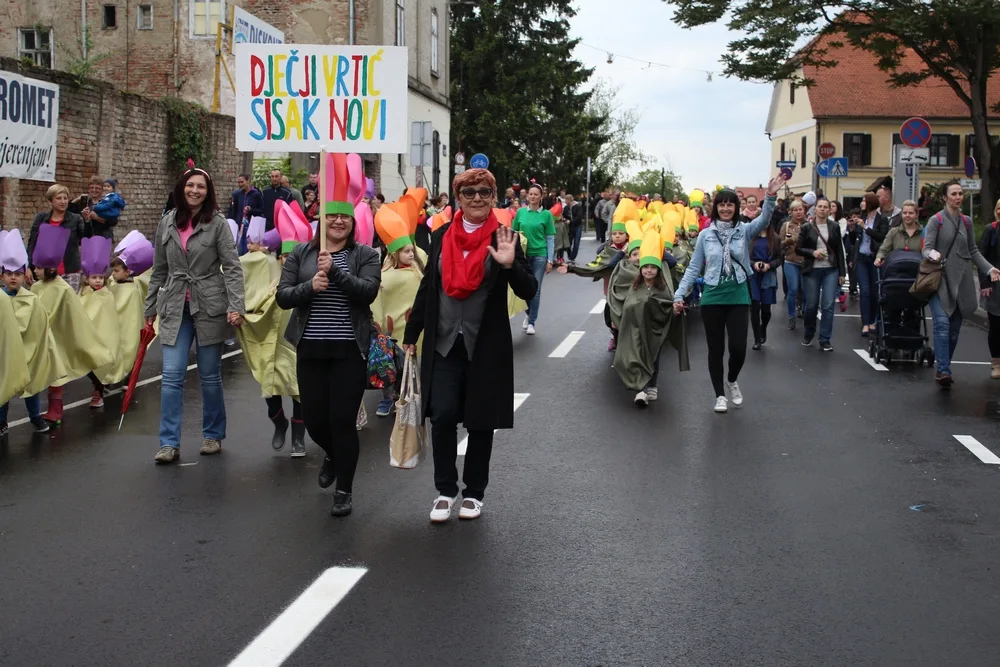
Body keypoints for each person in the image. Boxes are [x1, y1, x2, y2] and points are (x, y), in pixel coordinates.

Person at [402, 168, 537, 523]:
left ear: (495, 198)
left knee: (480, 421)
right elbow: (428, 287)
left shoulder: (506, 236)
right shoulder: (441, 234)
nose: (477, 198)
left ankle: (474, 492)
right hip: (445, 341)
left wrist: (509, 267)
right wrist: (411, 333)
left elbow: (528, 290)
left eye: (484, 192)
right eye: (469, 192)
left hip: (485, 344)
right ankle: (446, 489)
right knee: (442, 414)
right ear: (457, 198)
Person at [276, 155, 381, 517]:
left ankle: (344, 490)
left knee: (342, 421)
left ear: (352, 222)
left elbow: (368, 293)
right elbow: (283, 296)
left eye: (345, 217)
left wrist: (334, 275)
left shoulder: (366, 254)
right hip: (310, 350)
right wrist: (310, 285)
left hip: (349, 351)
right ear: (321, 218)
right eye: (332, 215)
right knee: (317, 422)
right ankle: (335, 457)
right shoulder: (302, 254)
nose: (338, 221)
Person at [144, 167, 245, 464]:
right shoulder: (167, 223)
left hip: (210, 305)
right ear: (181, 187)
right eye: (190, 185)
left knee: (209, 375)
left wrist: (235, 305)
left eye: (201, 186)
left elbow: (233, 266)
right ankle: (168, 443)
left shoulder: (217, 224)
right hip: (176, 305)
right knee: (172, 376)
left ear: (208, 192)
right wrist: (149, 309)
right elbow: (159, 270)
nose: (195, 191)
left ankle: (213, 435)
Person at [674, 173, 784, 413]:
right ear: (716, 208)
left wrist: (771, 195)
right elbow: (694, 267)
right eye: (721, 204)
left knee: (738, 348)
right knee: (715, 349)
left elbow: (765, 218)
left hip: (737, 294)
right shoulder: (705, 235)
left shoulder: (744, 230)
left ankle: (732, 380)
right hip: (712, 295)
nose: (725, 208)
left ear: (736, 208)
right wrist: (679, 294)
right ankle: (719, 395)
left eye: (730, 204)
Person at [924, 181, 1000, 387]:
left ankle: (944, 364)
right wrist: (932, 254)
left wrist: (989, 268)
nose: (958, 197)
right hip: (939, 280)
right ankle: (944, 370)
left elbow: (974, 251)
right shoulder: (936, 220)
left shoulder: (966, 222)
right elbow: (926, 247)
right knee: (941, 324)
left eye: (960, 193)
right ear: (945, 197)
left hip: (962, 281)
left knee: (954, 330)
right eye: (954, 194)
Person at [371, 206, 426, 417]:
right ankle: (387, 397)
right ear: (395, 253)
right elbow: (377, 299)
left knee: (408, 364)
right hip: (390, 329)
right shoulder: (384, 276)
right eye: (406, 251)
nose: (411, 254)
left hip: (409, 328)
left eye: (412, 250)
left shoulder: (417, 273)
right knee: (387, 364)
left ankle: (406, 395)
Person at [0, 231, 52, 435]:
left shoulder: (32, 299)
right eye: (9, 273)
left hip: (25, 351)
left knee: (31, 385)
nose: (13, 277)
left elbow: (40, 323)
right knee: (4, 385)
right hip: (5, 351)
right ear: (2, 275)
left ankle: (35, 417)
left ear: (25, 275)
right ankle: (2, 420)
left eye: (18, 273)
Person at [796, 198, 847, 351]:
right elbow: (798, 248)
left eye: (826, 207)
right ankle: (809, 332)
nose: (823, 209)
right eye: (820, 206)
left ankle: (825, 339)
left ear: (829, 210)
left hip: (830, 269)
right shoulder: (806, 227)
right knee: (811, 305)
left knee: (828, 305)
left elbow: (838, 250)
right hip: (812, 270)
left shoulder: (834, 226)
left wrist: (842, 272)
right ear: (815, 209)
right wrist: (813, 252)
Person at [511, 183, 555, 335]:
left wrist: (550, 260)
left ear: (541, 197)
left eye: (536, 194)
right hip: (522, 255)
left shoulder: (546, 215)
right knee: (523, 287)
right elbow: (513, 232)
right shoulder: (521, 212)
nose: (533, 196)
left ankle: (531, 322)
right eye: (531, 194)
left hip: (540, 255)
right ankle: (528, 313)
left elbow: (550, 238)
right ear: (527, 196)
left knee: (535, 289)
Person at [27, 184, 89, 292]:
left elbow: (87, 239)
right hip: (45, 271)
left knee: (68, 305)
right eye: (59, 198)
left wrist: (87, 221)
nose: (63, 201)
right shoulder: (41, 219)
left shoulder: (76, 218)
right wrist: (27, 266)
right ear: (50, 201)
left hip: (69, 270)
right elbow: (32, 242)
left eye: (65, 198)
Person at [854, 192, 889, 337]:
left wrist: (865, 228)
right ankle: (866, 323)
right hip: (862, 258)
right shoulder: (862, 218)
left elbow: (882, 236)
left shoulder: (882, 220)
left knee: (875, 292)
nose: (862, 203)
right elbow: (855, 239)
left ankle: (874, 320)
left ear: (870, 203)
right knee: (865, 291)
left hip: (875, 259)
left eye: (864, 201)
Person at [749, 221, 782, 349]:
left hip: (768, 275)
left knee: (766, 310)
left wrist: (769, 265)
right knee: (755, 306)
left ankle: (763, 328)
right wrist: (754, 264)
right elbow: (746, 256)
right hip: (753, 275)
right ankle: (757, 339)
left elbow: (779, 258)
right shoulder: (751, 237)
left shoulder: (775, 238)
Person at [978, 197, 1000, 379]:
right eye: (999, 208)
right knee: (996, 326)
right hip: (995, 285)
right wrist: (984, 284)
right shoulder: (990, 230)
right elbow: (981, 258)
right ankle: (996, 363)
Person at [780, 200, 807, 329]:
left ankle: (803, 309)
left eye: (800, 209)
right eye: (795, 210)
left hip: (806, 262)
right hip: (790, 261)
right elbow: (779, 244)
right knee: (793, 289)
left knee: (805, 290)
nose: (798, 212)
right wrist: (789, 241)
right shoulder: (786, 226)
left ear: (804, 211)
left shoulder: (810, 225)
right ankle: (791, 316)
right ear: (790, 212)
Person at [564, 193, 584, 263]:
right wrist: (564, 220)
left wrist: (571, 221)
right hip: (570, 227)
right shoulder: (566, 208)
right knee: (568, 242)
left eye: (566, 200)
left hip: (578, 226)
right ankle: (570, 255)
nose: (565, 201)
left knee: (576, 242)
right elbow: (564, 216)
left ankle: (573, 257)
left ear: (570, 200)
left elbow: (579, 217)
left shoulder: (577, 206)